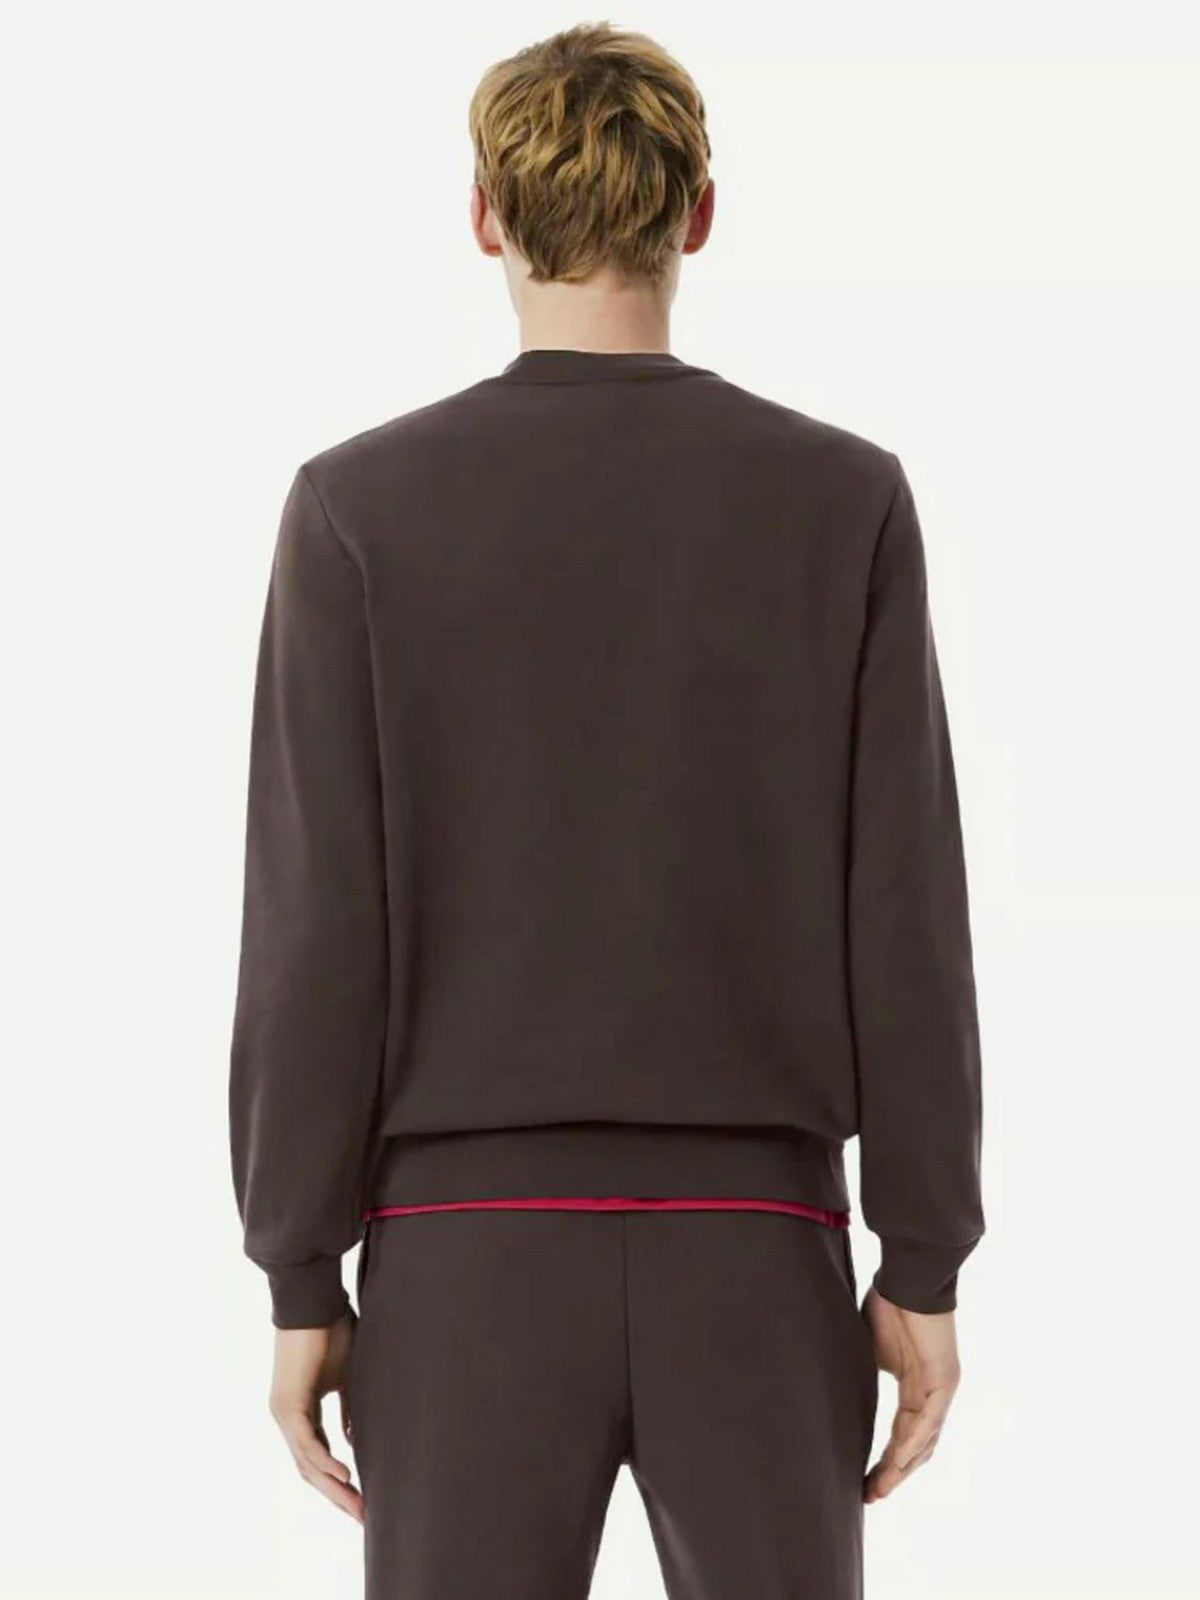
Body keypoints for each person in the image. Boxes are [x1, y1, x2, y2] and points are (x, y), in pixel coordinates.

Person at [229, 22, 984, 1600]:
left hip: (466, 1256)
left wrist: (300, 1266)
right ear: (699, 211)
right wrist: (920, 1256)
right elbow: (904, 907)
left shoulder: (359, 512)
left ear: (484, 216)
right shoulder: (842, 500)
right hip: (756, 1246)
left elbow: (319, 930)